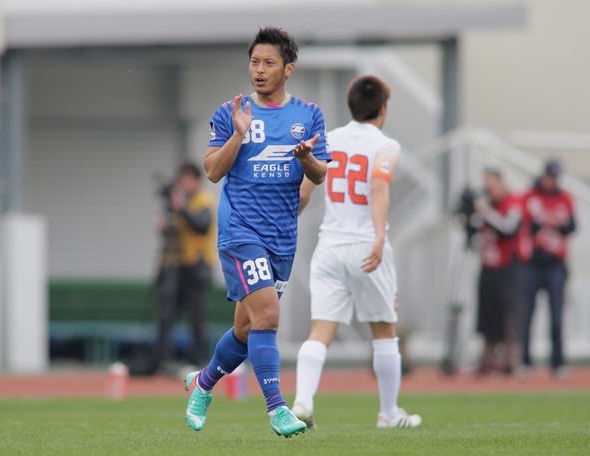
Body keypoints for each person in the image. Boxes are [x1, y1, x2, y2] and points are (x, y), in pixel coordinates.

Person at [184, 27, 330, 438]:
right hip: (241, 231)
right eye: (254, 62)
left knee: (247, 329)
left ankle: (202, 384)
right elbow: (212, 171)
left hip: (282, 236)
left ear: (288, 69)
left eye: (268, 63)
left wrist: (305, 158)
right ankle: (278, 409)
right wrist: (239, 134)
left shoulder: (309, 114)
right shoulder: (231, 111)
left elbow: (319, 175)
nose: (259, 70)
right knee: (268, 316)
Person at [292, 75, 421, 429]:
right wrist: (379, 236)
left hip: (330, 246)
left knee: (320, 331)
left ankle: (302, 403)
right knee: (384, 333)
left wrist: (284, 224)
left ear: (352, 106)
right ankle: (389, 414)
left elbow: (304, 192)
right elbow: (378, 189)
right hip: (366, 248)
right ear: (383, 109)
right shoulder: (386, 145)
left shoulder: (330, 139)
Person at [154, 161, 217, 373]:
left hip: (197, 266)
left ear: (197, 180)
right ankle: (163, 359)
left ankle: (199, 359)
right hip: (175, 266)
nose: (184, 184)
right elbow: (173, 232)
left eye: (188, 179)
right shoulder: (180, 203)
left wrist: (182, 208)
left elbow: (202, 226)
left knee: (196, 316)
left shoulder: (204, 200)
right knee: (167, 313)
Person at [521, 159, 576, 378]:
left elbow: (572, 226)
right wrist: (544, 220)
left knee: (557, 316)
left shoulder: (565, 198)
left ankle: (558, 363)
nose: (553, 181)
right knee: (527, 314)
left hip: (555, 264)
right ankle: (525, 362)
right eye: (550, 176)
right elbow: (525, 225)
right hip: (533, 262)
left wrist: (558, 223)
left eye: (556, 177)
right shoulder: (531, 197)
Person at [472, 170, 528, 376]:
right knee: (487, 316)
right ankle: (489, 359)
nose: (490, 191)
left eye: (492, 185)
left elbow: (508, 229)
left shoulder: (512, 204)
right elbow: (473, 232)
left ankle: (514, 360)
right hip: (488, 267)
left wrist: (486, 212)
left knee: (509, 314)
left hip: (507, 268)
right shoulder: (485, 206)